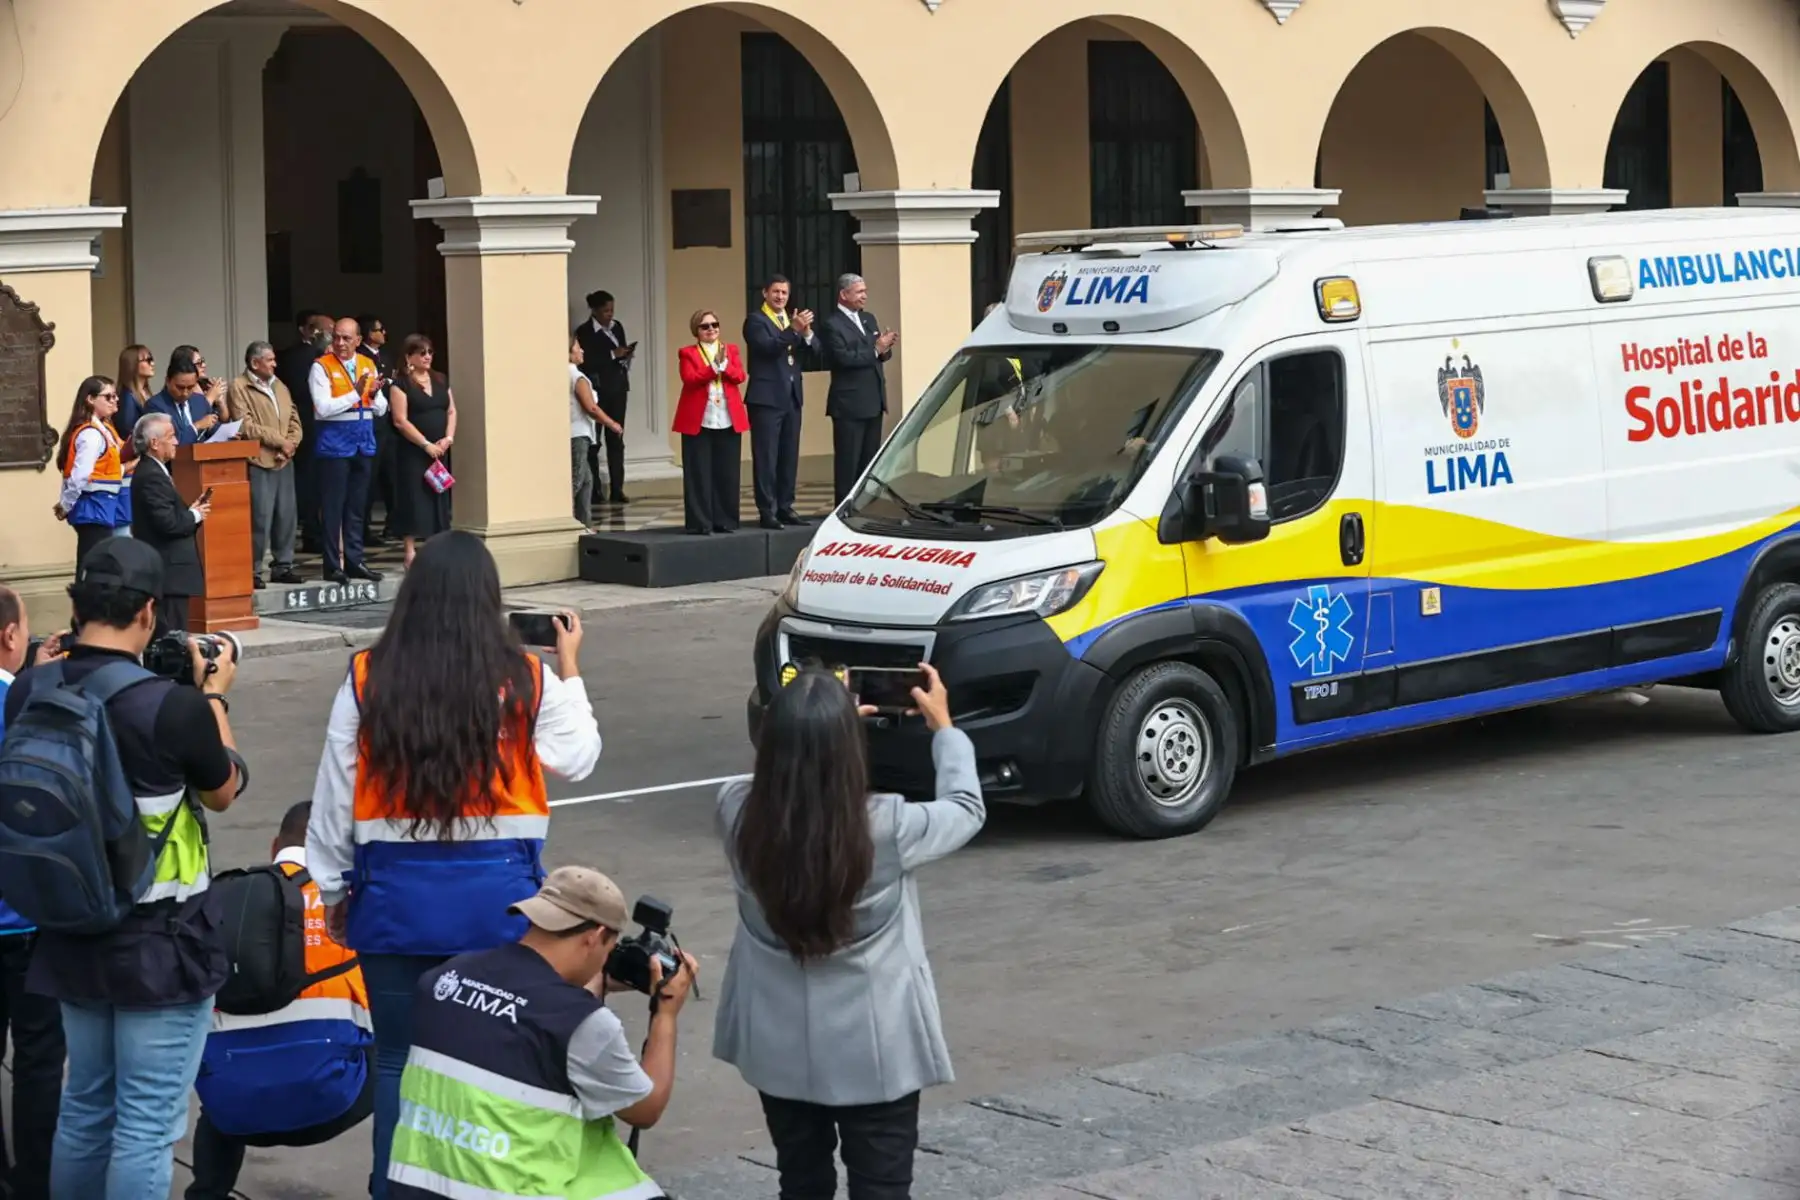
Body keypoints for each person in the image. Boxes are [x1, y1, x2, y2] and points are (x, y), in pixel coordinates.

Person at [306, 530, 602, 1199]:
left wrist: (328, 890)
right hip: (498, 905)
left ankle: (394, 1188)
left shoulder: (366, 676)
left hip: (393, 899)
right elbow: (578, 757)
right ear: (487, 601)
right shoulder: (527, 679)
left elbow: (334, 793)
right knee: (492, 1062)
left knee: (396, 1063)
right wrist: (571, 665)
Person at [4, 537, 244, 1200]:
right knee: (145, 1126)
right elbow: (224, 792)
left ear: (77, 606)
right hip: (159, 941)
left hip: (71, 922)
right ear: (147, 612)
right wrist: (216, 697)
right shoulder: (173, 706)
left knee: (84, 1109)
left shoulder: (29, 688)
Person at [716, 663, 982, 1199]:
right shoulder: (888, 827)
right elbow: (965, 807)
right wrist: (945, 729)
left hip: (776, 1045)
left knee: (802, 1181)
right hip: (876, 1048)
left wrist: (810, 729)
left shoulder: (735, 812)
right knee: (881, 1187)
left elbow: (768, 780)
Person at [389, 867, 697, 1199]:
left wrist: (590, 986)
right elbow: (644, 1110)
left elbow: (522, 1024)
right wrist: (665, 1012)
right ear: (594, 937)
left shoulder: (443, 978)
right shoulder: (581, 1022)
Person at [186, 801, 373, 1200]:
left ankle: (207, 1192)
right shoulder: (358, 906)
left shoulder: (221, 901)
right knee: (404, 1063)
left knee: (224, 1063)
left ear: (275, 847)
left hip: (232, 1112)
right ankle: (389, 1190)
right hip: (329, 1104)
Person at [0, 584, 65, 1200]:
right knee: (41, 1057)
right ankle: (35, 1182)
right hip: (23, 917)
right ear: (10, 637)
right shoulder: (20, 701)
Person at [309, 317, 387, 586]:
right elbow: (323, 408)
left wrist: (374, 395)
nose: (340, 343)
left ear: (358, 340)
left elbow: (381, 409)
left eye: (346, 338)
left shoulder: (368, 364)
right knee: (333, 508)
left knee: (357, 508)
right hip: (335, 447)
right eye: (337, 337)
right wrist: (355, 393)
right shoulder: (321, 367)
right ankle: (332, 565)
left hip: (363, 443)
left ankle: (355, 561)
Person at [228, 340, 305, 588]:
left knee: (287, 516)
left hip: (284, 460)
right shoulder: (239, 387)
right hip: (259, 461)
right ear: (254, 362)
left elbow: (294, 417)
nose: (275, 363)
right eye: (270, 360)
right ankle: (253, 571)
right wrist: (280, 442)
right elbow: (245, 425)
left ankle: (283, 566)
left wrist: (290, 444)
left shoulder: (279, 385)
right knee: (259, 518)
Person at [743, 275, 818, 529]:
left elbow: (814, 351)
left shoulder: (790, 319)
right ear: (765, 293)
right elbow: (768, 347)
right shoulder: (756, 320)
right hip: (766, 398)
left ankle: (786, 506)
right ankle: (767, 509)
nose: (780, 297)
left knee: (789, 454)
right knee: (766, 456)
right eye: (775, 292)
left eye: (784, 293)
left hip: (792, 396)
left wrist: (806, 334)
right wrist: (793, 330)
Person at [129, 413, 211, 634]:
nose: (176, 441)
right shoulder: (151, 475)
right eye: (171, 436)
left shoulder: (155, 470)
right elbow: (167, 524)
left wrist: (190, 512)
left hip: (170, 572)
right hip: (168, 572)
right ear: (154, 443)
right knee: (171, 637)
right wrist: (193, 515)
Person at [820, 273, 898, 503]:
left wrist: (885, 346)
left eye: (865, 291)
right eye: (859, 291)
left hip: (873, 400)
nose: (864, 296)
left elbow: (880, 355)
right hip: (849, 405)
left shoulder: (868, 319)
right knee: (848, 462)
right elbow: (843, 359)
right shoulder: (832, 324)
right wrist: (875, 349)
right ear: (844, 294)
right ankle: (844, 509)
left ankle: (865, 506)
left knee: (869, 462)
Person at [674, 309, 749, 536]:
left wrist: (725, 366)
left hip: (727, 416)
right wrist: (713, 367)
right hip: (700, 418)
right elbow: (690, 379)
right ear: (696, 331)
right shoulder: (687, 353)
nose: (711, 330)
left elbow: (739, 377)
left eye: (714, 325)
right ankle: (701, 522)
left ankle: (725, 520)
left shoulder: (730, 350)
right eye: (705, 326)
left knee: (727, 471)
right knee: (699, 472)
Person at [385, 334, 457, 569]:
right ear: (409, 357)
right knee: (413, 499)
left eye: (430, 352)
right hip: (414, 452)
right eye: (421, 353)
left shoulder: (440, 379)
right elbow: (400, 420)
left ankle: (437, 547)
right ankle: (409, 551)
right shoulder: (401, 384)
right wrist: (425, 444)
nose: (427, 357)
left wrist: (448, 438)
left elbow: (451, 411)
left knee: (438, 497)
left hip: (440, 451)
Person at [52, 376, 133, 573]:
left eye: (115, 396)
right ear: (90, 399)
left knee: (96, 566)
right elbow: (81, 476)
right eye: (108, 397)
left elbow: (106, 472)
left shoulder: (102, 429)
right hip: (93, 508)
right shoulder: (91, 434)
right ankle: (85, 603)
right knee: (91, 569)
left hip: (100, 508)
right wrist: (65, 505)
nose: (115, 400)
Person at [279, 311, 334, 554]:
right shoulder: (297, 357)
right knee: (310, 481)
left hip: (327, 427)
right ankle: (311, 532)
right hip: (306, 426)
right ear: (310, 331)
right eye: (327, 331)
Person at [574, 289, 634, 505]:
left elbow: (620, 352)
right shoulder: (584, 332)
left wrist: (625, 355)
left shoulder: (617, 327)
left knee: (616, 438)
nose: (610, 314)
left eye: (612, 310)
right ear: (595, 310)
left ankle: (618, 488)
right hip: (597, 391)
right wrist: (612, 355)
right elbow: (586, 362)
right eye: (606, 310)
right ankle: (595, 491)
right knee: (594, 441)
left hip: (618, 389)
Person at [569, 335, 623, 527]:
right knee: (576, 480)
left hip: (576, 432)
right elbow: (591, 408)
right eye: (578, 348)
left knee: (586, 481)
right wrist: (612, 424)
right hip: (578, 434)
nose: (582, 351)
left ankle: (585, 525)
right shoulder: (577, 377)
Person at [358, 314, 398, 549]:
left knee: (390, 476)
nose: (384, 333)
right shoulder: (361, 358)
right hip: (371, 425)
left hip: (388, 424)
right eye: (379, 329)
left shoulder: (386, 356)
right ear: (367, 334)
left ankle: (392, 524)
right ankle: (363, 528)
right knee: (369, 479)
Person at [145, 352, 225, 447]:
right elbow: (170, 444)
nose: (185, 393)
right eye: (180, 387)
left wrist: (226, 434)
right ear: (167, 381)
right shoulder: (155, 406)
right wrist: (197, 426)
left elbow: (210, 428)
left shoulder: (199, 400)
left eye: (190, 387)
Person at [113, 344, 156, 451]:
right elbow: (127, 434)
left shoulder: (146, 393)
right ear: (133, 365)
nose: (153, 363)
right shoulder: (127, 397)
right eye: (148, 360)